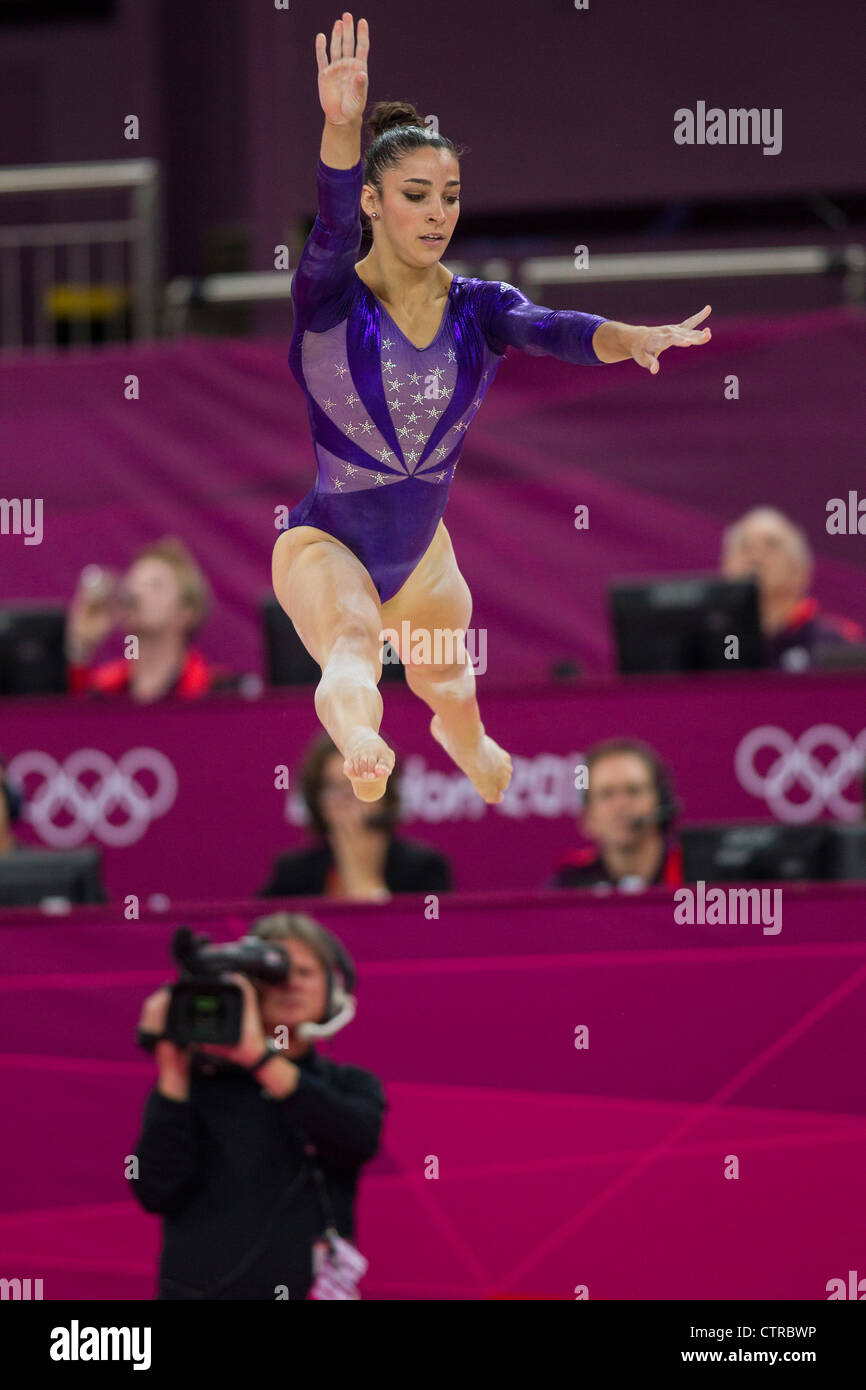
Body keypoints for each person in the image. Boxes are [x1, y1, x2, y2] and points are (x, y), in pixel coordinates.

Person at [272, 11, 714, 807]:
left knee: (449, 683)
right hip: (324, 543)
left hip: (424, 556)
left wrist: (631, 336)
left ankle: (462, 738)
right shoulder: (330, 298)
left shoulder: (478, 307)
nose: (439, 213)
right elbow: (330, 221)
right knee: (352, 647)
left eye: (450, 196)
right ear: (374, 201)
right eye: (416, 196)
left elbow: (556, 330)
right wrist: (341, 128)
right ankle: (362, 741)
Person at [131, 911, 385, 1300]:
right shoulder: (197, 1086)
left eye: (305, 972)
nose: (290, 985)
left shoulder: (350, 1085)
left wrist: (259, 1058)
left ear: (332, 990)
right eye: (275, 974)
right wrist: (172, 1069)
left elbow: (354, 1141)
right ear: (246, 990)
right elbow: (155, 1191)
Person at [260, 732, 453, 900]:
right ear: (316, 799)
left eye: (357, 784)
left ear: (385, 792)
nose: (346, 800)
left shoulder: (423, 868)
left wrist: (365, 880)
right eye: (333, 787)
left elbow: (430, 938)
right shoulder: (292, 873)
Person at [65, 536, 236, 702]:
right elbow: (66, 721)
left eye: (155, 585)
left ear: (186, 613)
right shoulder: (103, 690)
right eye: (134, 583)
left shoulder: (218, 693)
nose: (137, 593)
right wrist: (81, 647)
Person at [720, 507, 862, 670]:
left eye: (771, 545)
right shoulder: (707, 647)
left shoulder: (836, 646)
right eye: (745, 547)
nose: (755, 557)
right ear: (726, 568)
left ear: (799, 571)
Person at [547, 738, 683, 890]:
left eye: (633, 790)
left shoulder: (697, 874)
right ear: (588, 817)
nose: (621, 805)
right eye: (607, 794)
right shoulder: (569, 885)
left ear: (662, 802)